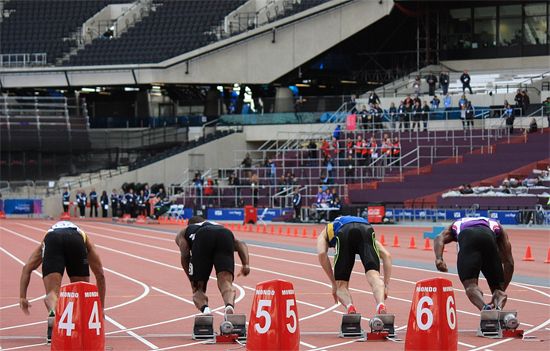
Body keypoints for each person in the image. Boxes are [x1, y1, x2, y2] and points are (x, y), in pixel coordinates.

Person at [19, 221, 106, 340]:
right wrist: (101, 308)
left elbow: (26, 268)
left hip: (52, 240)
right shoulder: (84, 237)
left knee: (52, 293)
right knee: (81, 291)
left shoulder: (46, 240)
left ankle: (53, 313)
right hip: (76, 240)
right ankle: (79, 327)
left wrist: (22, 297)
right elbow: (100, 275)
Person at [433, 217, 514, 311]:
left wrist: (439, 259)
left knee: (470, 286)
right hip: (488, 237)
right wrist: (501, 289)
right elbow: (509, 263)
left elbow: (439, 237)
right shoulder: (497, 225)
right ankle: (498, 308)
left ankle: (485, 309)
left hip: (467, 237)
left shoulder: (457, 223)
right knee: (497, 289)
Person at [175, 216, 250, 315]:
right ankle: (229, 306)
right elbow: (241, 244)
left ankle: (206, 310)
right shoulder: (218, 225)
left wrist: (192, 279)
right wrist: (246, 265)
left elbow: (185, 254)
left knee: (198, 288)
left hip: (202, 237)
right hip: (225, 234)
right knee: (226, 281)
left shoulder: (184, 231)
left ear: (189, 224)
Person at [317, 216, 392, 315]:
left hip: (344, 232)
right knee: (374, 276)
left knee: (341, 285)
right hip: (366, 229)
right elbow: (387, 255)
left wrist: (334, 284)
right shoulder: (361, 227)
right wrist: (386, 286)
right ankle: (381, 304)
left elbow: (322, 254)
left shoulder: (325, 233)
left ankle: (350, 307)